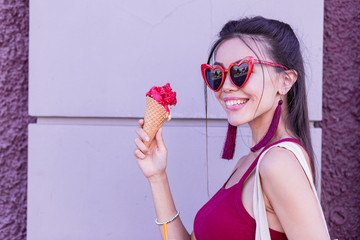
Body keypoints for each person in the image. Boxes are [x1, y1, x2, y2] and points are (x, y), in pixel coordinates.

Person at [134, 16, 330, 240]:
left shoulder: (279, 163)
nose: (226, 87)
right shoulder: (250, 162)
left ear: (285, 81)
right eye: (217, 74)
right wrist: (157, 176)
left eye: (241, 71)